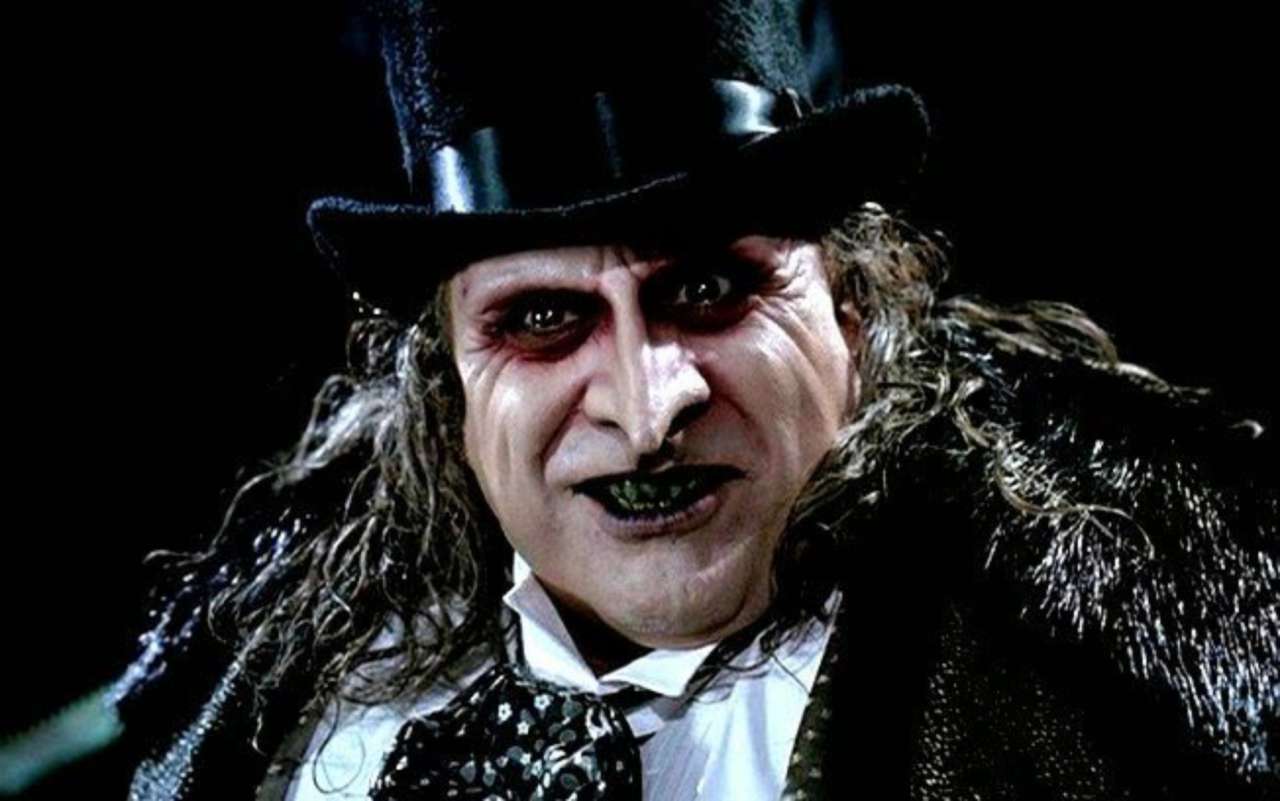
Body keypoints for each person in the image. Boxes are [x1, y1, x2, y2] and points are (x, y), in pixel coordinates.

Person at [102, 2, 1276, 799]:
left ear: (854, 315)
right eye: (542, 319)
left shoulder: (1093, 714)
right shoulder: (282, 711)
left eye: (709, 290)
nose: (646, 406)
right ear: (445, 391)